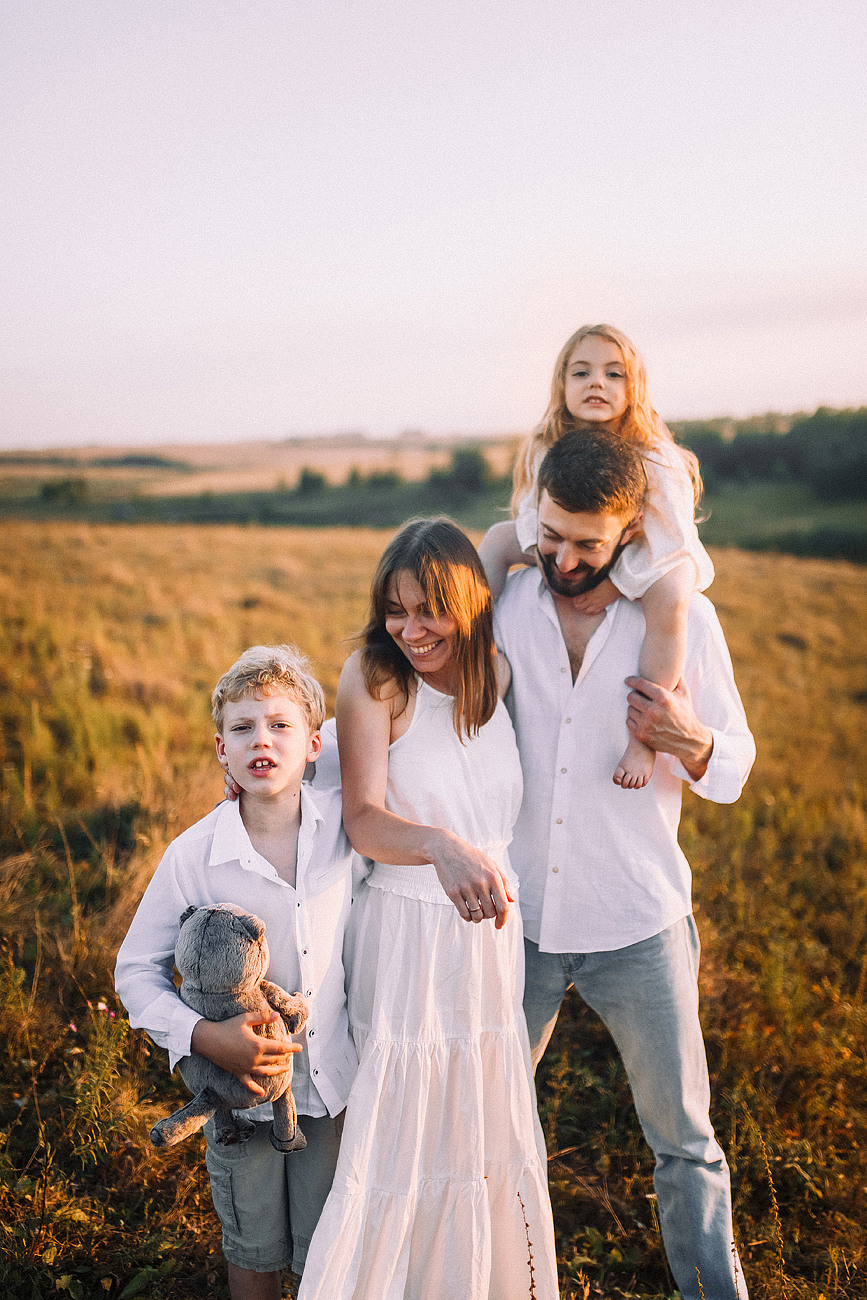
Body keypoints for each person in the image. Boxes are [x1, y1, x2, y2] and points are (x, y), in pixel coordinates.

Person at [493, 429, 755, 1300]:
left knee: (683, 1138)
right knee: (485, 1123)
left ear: (630, 530)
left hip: (639, 920)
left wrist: (692, 740)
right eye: (550, 536)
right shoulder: (508, 606)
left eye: (587, 544)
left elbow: (734, 765)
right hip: (515, 921)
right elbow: (416, 713)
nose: (563, 560)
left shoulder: (683, 621)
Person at [298, 518, 559, 1300]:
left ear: (467, 606)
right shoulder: (377, 679)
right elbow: (364, 819)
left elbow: (499, 550)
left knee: (474, 1128)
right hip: (407, 934)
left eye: (427, 611)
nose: (410, 631)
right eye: (394, 610)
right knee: (399, 1133)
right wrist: (441, 847)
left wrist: (525, 541)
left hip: (487, 944)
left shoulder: (495, 675)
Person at [115, 645, 358, 1300]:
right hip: (236, 1099)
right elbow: (135, 969)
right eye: (243, 729)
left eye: (279, 727)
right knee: (254, 1249)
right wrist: (204, 1038)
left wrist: (306, 722)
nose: (262, 741)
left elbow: (364, 728)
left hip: (331, 1086)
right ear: (220, 750)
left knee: (327, 1251)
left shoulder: (344, 823)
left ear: (314, 745)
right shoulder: (194, 855)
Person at [479, 322, 713, 791]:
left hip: (649, 559)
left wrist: (615, 584)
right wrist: (551, 554)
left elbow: (672, 540)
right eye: (581, 373)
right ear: (561, 384)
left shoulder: (657, 457)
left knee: (671, 597)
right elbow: (532, 515)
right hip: (574, 544)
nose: (597, 384)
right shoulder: (546, 443)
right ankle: (476, 651)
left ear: (634, 386)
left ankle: (645, 735)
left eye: (613, 374)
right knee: (498, 539)